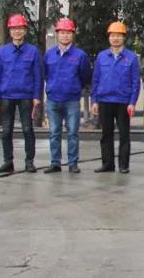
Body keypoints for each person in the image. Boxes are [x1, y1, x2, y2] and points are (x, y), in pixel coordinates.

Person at [0, 13, 42, 174]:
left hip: (26, 96)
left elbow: (38, 76)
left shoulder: (33, 51)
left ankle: (29, 162)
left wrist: (37, 96)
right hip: (6, 96)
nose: (17, 31)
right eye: (14, 29)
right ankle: (8, 161)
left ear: (25, 31)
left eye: (20, 28)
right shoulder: (3, 52)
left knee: (27, 129)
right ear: (10, 31)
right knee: (6, 131)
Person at [91, 21, 141, 174]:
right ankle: (108, 164)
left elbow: (135, 82)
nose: (115, 38)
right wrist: (94, 101)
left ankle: (123, 165)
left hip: (123, 102)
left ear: (124, 38)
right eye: (112, 35)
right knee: (106, 134)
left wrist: (132, 102)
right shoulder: (101, 56)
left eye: (119, 35)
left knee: (124, 134)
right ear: (109, 38)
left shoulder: (131, 57)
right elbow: (96, 79)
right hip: (104, 101)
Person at [43, 17, 91, 174]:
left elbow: (85, 76)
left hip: (72, 100)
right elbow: (46, 74)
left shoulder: (80, 55)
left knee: (72, 133)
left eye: (68, 32)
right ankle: (55, 163)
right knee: (54, 133)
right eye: (62, 32)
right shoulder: (49, 54)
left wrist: (75, 88)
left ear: (73, 34)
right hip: (53, 100)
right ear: (57, 34)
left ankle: (73, 163)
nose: (65, 35)